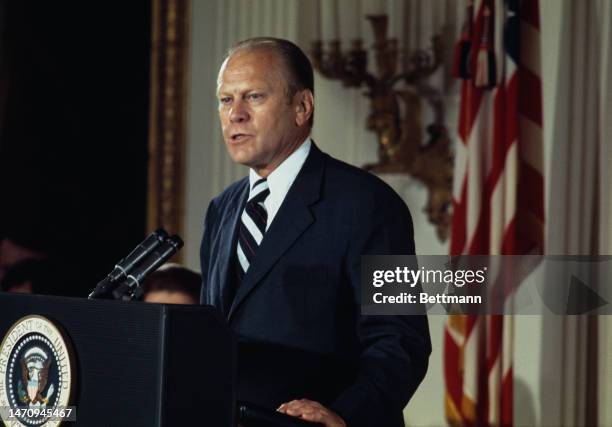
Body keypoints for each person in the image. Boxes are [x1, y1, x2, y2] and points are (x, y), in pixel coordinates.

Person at [199, 37, 431, 427]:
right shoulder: (221, 209)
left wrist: (344, 413)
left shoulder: (368, 203)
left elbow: (400, 341)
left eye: (253, 97)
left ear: (302, 106)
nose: (235, 115)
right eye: (226, 100)